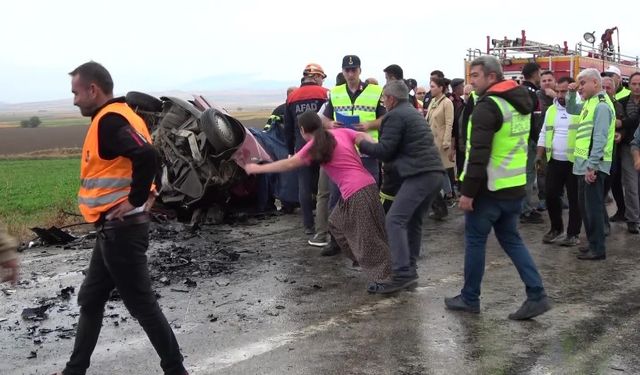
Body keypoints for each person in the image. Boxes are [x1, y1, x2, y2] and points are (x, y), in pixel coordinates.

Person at [57, 62, 187, 375]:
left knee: (142, 304)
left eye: (76, 93)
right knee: (91, 299)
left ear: (93, 89)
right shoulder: (124, 115)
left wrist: (136, 199)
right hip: (112, 230)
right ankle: (74, 371)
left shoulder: (110, 121)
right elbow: (145, 154)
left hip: (122, 232)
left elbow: (147, 155)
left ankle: (176, 370)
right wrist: (147, 192)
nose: (74, 100)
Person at [444, 56, 550, 320]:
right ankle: (536, 294)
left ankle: (470, 298)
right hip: (513, 186)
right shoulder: (520, 103)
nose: (471, 81)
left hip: (488, 190)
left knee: (476, 242)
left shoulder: (488, 107)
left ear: (492, 77)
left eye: (476, 76)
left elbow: (479, 152)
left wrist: (467, 192)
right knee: (512, 240)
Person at [245, 111, 392, 291]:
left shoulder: (316, 144)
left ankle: (384, 280)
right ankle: (363, 259)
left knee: (369, 236)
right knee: (336, 223)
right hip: (361, 188)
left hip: (358, 191)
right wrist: (371, 142)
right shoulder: (338, 134)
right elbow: (361, 135)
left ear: (302, 129)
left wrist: (257, 169)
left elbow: (290, 164)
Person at [357, 80, 444, 293]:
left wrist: (362, 142)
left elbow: (386, 150)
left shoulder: (395, 116)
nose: (383, 103)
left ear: (391, 99)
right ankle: (409, 271)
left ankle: (402, 273)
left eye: (384, 99)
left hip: (419, 175)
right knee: (413, 222)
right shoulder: (412, 112)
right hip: (434, 174)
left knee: (394, 220)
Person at [566, 68, 616, 260]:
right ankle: (593, 243)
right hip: (583, 165)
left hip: (592, 166)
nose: (580, 87)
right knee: (585, 208)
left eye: (582, 83)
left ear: (595, 83)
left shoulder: (602, 105)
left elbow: (600, 137)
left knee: (593, 208)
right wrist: (571, 93)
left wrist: (592, 166)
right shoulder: (590, 103)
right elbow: (571, 109)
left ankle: (598, 248)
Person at [535, 76, 582, 246]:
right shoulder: (551, 110)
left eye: (565, 91)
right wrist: (539, 156)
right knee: (551, 195)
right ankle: (556, 228)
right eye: (559, 91)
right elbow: (543, 133)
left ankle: (573, 233)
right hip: (554, 161)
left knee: (575, 199)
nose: (561, 95)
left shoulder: (580, 108)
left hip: (574, 161)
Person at [284, 63, 329, 236]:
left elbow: (288, 128)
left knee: (304, 185)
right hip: (322, 146)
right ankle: (324, 224)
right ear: (316, 77)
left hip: (301, 148)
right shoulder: (325, 93)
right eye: (321, 77)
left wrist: (290, 149)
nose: (321, 81)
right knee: (324, 187)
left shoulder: (292, 97)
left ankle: (308, 225)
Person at [520, 62, 545, 224]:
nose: (541, 76)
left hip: (519, 140)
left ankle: (524, 207)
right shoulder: (532, 93)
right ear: (535, 74)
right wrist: (537, 142)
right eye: (540, 73)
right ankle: (526, 210)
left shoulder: (519, 90)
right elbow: (534, 122)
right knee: (528, 175)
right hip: (529, 140)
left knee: (523, 175)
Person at [426, 77, 456, 208]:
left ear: (441, 88)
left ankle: (447, 194)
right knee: (439, 169)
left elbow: (449, 123)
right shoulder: (433, 101)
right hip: (432, 141)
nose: (430, 89)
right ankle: (447, 194)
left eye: (433, 86)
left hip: (441, 141)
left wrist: (447, 141)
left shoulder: (447, 102)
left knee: (440, 169)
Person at [616, 72, 640, 233]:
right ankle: (633, 219)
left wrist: (622, 123)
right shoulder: (623, 102)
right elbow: (621, 125)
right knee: (631, 184)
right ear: (629, 85)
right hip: (627, 148)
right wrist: (621, 132)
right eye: (634, 84)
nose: (637, 87)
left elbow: (634, 120)